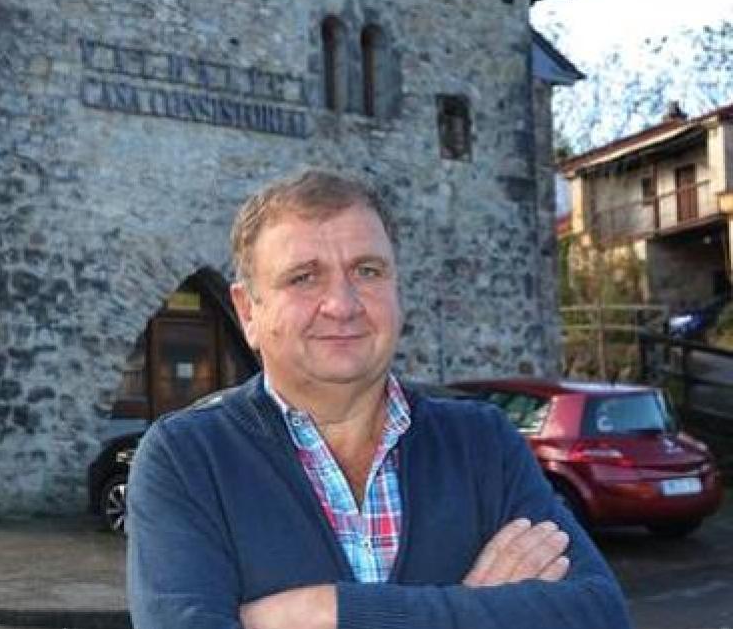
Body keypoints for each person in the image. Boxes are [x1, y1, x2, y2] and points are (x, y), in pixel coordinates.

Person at [126, 170, 631, 629]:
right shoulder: (187, 459)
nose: (343, 305)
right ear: (247, 311)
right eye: (304, 277)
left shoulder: (482, 443)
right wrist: (474, 610)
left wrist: (331, 611)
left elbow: (599, 614)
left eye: (367, 271)